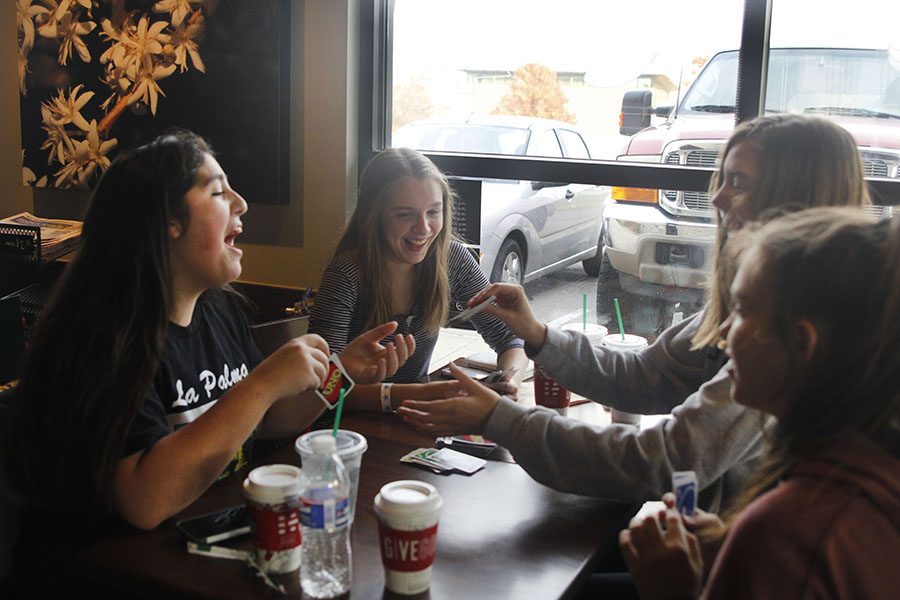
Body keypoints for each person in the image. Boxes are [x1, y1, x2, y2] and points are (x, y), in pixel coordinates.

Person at [396, 114, 869, 512]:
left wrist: (500, 418)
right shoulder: (752, 307)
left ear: (795, 198)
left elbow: (660, 463)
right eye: (721, 179)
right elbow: (646, 374)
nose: (718, 198)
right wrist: (537, 333)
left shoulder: (779, 341)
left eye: (738, 182)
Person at [6, 131, 413, 548]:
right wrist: (263, 382)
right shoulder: (101, 338)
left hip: (199, 545)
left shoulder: (219, 308)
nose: (241, 203)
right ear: (168, 222)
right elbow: (144, 502)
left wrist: (341, 373)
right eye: (218, 192)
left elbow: (263, 422)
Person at [619, 208, 900, 599]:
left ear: (802, 344)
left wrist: (675, 592)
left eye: (744, 310)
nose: (723, 331)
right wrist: (727, 539)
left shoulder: (785, 535)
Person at [309, 147, 527, 412]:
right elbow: (323, 390)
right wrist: (427, 395)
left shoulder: (453, 258)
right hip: (349, 430)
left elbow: (509, 339)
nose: (423, 228)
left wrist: (509, 383)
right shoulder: (347, 273)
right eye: (405, 214)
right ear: (373, 216)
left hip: (416, 421)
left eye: (433, 212)